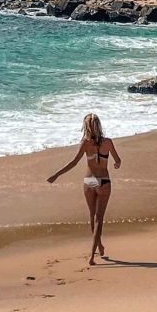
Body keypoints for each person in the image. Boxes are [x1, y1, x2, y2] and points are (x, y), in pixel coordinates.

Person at [47, 113, 122, 264]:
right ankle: (94, 253)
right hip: (104, 181)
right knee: (99, 218)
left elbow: (74, 163)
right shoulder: (108, 142)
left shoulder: (85, 143)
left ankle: (97, 248)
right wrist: (116, 164)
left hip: (90, 181)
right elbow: (118, 160)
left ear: (86, 127)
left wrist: (57, 174)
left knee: (92, 215)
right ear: (99, 125)